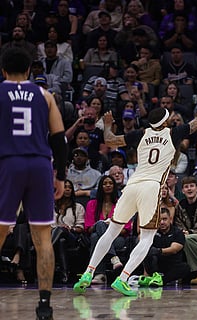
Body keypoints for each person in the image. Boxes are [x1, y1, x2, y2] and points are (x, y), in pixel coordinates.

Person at [74, 91, 197, 296]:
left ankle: (87, 273)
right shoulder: (173, 133)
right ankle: (123, 278)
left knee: (110, 232)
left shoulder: (141, 133)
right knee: (147, 238)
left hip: (132, 184)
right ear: (165, 121)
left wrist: (107, 124)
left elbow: (109, 140)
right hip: (151, 187)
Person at [0, 47, 67, 320]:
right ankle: (44, 306)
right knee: (42, 238)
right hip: (40, 164)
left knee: (1, 231)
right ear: (29, 70)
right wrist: (60, 175)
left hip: (9, 162)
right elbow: (59, 138)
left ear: (3, 70)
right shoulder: (45, 95)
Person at [141, 207, 190, 286]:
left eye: (164, 219)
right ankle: (150, 277)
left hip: (171, 264)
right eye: (159, 220)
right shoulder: (152, 232)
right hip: (156, 264)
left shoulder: (177, 232)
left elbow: (174, 249)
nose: (162, 222)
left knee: (185, 268)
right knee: (147, 252)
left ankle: (162, 281)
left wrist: (158, 251)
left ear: (170, 219)